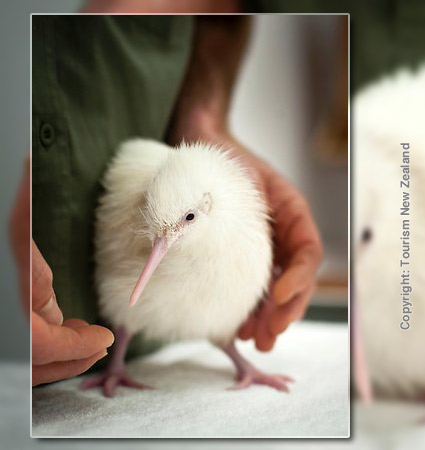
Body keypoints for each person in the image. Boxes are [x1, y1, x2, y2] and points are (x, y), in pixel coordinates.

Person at [13, 13, 322, 386]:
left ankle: (229, 355)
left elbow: (225, 10)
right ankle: (120, 354)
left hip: (112, 341)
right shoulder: (169, 210)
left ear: (207, 205)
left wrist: (203, 112)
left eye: (186, 221)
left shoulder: (217, 218)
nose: (165, 239)